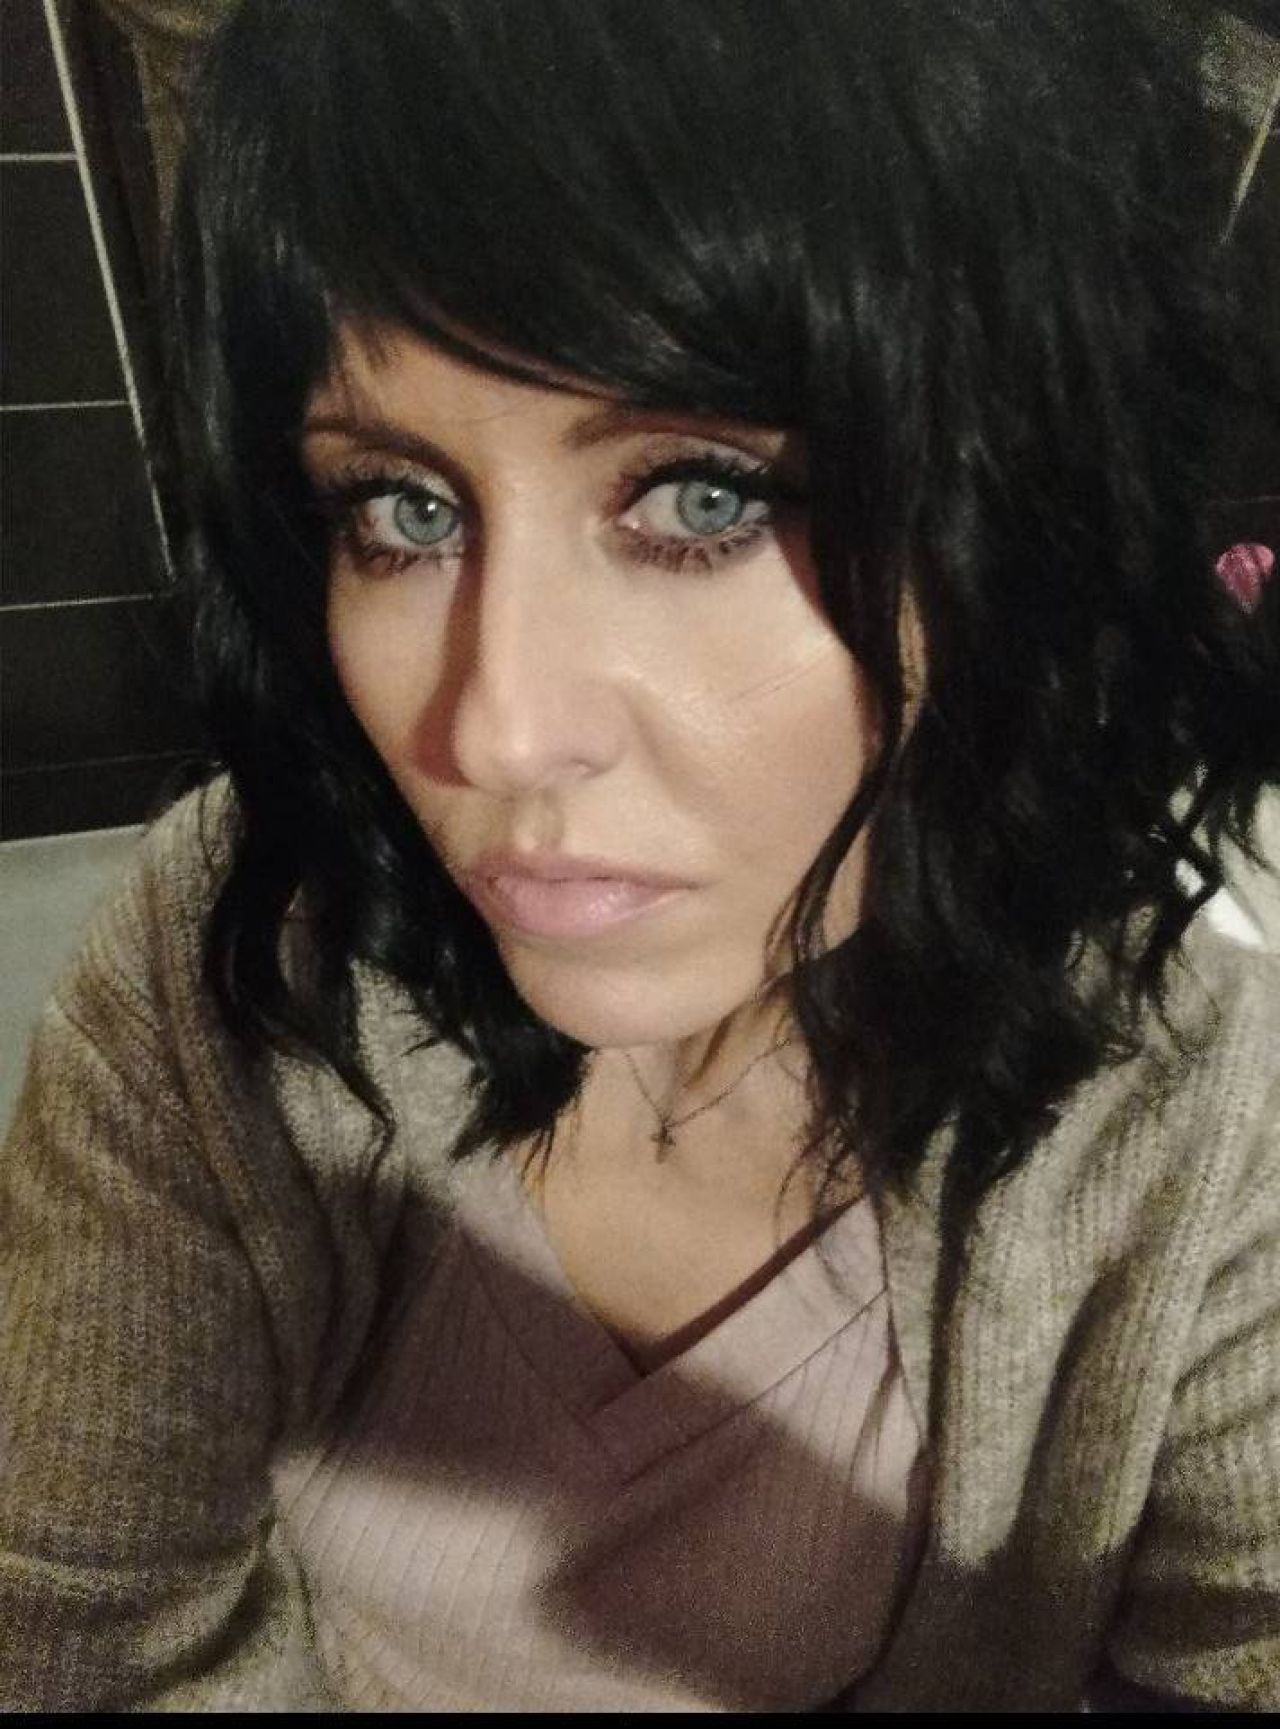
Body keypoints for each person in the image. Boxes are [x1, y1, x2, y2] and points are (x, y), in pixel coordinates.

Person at [3, 0, 1279, 1711]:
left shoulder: (1206, 1130)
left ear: (1024, 514)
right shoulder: (239, 947)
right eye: (403, 507)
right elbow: (77, 1629)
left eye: (703, 495)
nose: (495, 729)